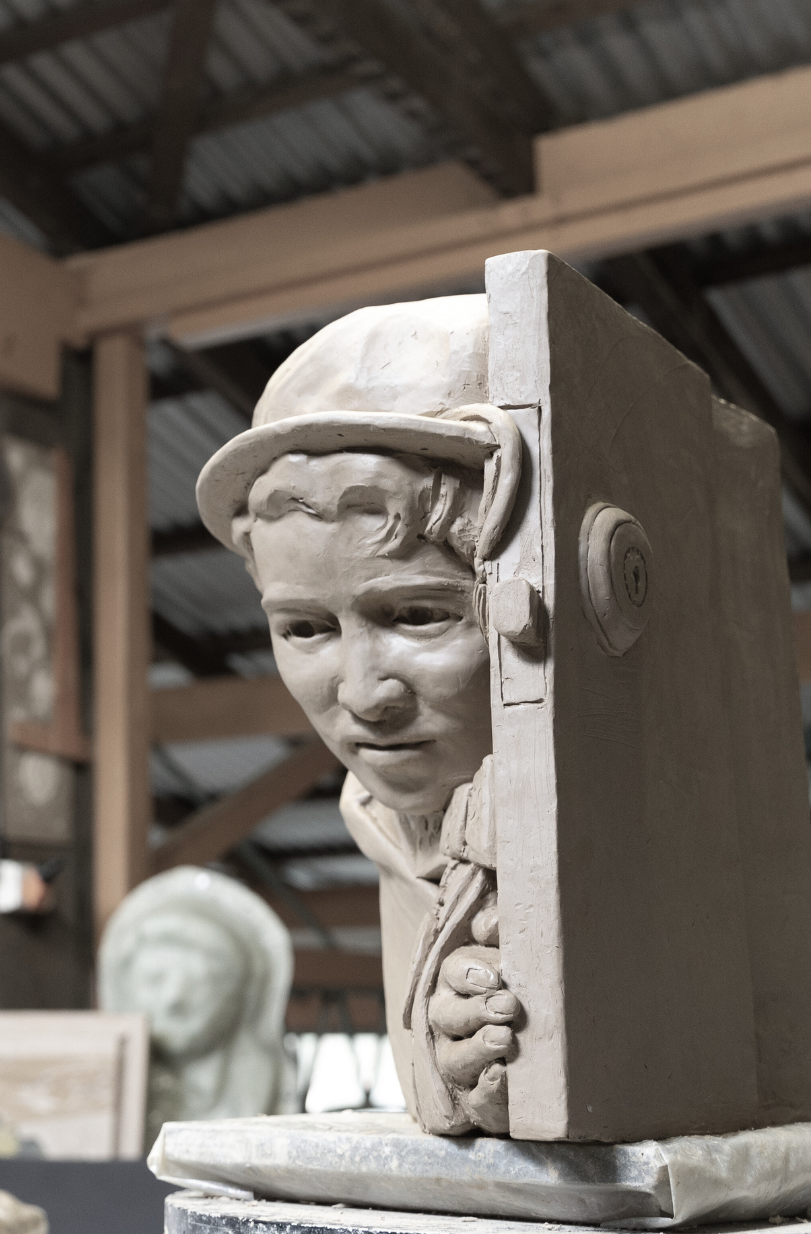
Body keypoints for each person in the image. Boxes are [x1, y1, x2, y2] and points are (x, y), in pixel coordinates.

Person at [192, 294, 527, 1136]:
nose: (363, 695)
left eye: (418, 616)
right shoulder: (379, 815)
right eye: (304, 629)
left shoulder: (643, 821)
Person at [99, 866, 292, 1143]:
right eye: (155, 980)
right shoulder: (107, 1087)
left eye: (199, 983)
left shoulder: (258, 1090)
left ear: (240, 997)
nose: (174, 999)